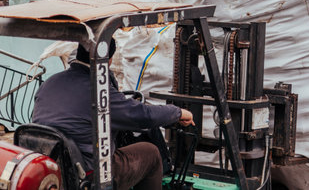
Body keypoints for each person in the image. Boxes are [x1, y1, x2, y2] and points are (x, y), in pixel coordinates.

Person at [32, 39, 194, 190]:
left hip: (51, 165)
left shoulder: (50, 82)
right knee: (150, 153)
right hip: (89, 172)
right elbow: (144, 116)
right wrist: (178, 112)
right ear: (108, 60)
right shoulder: (99, 90)